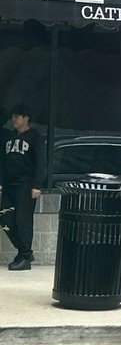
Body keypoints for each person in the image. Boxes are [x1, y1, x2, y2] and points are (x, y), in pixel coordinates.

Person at [1, 103, 46, 271]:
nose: (13, 120)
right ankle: (24, 252)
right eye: (12, 117)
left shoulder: (35, 137)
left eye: (17, 117)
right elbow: (3, 162)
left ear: (26, 118)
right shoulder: (9, 137)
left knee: (23, 221)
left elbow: (41, 163)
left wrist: (37, 185)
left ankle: (24, 257)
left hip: (26, 186)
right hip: (9, 185)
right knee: (5, 217)